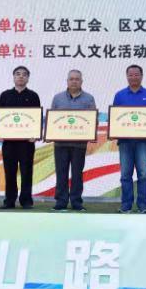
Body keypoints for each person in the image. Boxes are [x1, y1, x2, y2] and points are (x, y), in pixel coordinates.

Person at [113, 64, 146, 214]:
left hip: (144, 142)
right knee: (125, 175)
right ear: (127, 76)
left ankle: (142, 206)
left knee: (143, 174)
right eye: (130, 75)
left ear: (142, 76)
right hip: (125, 141)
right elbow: (115, 118)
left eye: (136, 74)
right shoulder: (119, 95)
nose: (133, 77)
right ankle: (126, 206)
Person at [50, 69, 96, 212]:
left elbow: (93, 121)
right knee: (61, 173)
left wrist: (91, 134)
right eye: (71, 79)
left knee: (77, 174)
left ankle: (76, 202)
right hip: (60, 144)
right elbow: (52, 121)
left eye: (77, 79)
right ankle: (61, 202)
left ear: (81, 81)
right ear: (67, 81)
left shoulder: (89, 98)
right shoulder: (57, 98)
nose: (74, 81)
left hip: (79, 144)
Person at [0, 66, 41, 209]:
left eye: (24, 74)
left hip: (27, 143)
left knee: (26, 171)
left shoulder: (33, 96)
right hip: (9, 142)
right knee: (9, 172)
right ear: (13, 77)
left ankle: (26, 200)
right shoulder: (5, 95)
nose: (21, 76)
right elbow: (0, 118)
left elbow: (36, 118)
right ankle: (9, 201)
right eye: (18, 74)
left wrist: (36, 135)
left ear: (28, 78)